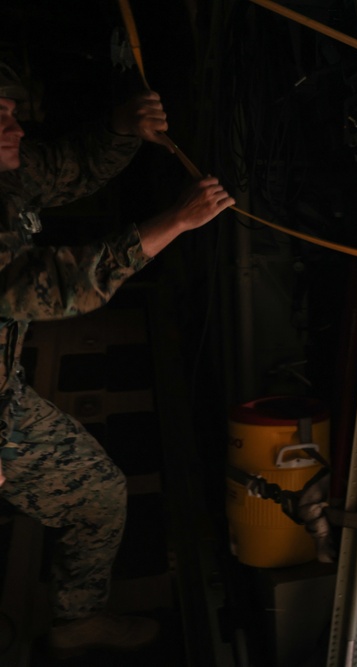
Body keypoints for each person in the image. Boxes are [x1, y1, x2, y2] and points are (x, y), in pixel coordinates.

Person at [0, 62, 234, 658]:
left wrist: (122, 127)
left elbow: (71, 167)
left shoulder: (10, 173)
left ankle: (77, 621)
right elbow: (49, 285)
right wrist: (176, 222)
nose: (15, 128)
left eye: (10, 111)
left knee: (98, 496)